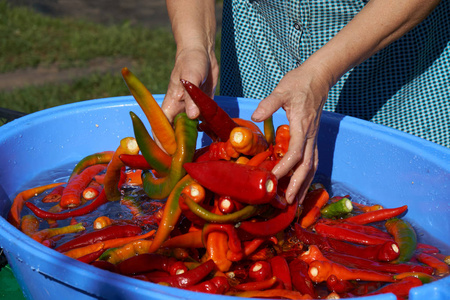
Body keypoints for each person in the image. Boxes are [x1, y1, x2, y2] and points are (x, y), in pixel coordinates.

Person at [161, 0, 449, 205]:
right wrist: (194, 44)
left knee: (410, 204)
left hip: (393, 80)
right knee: (253, 207)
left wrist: (321, 72)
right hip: (264, 53)